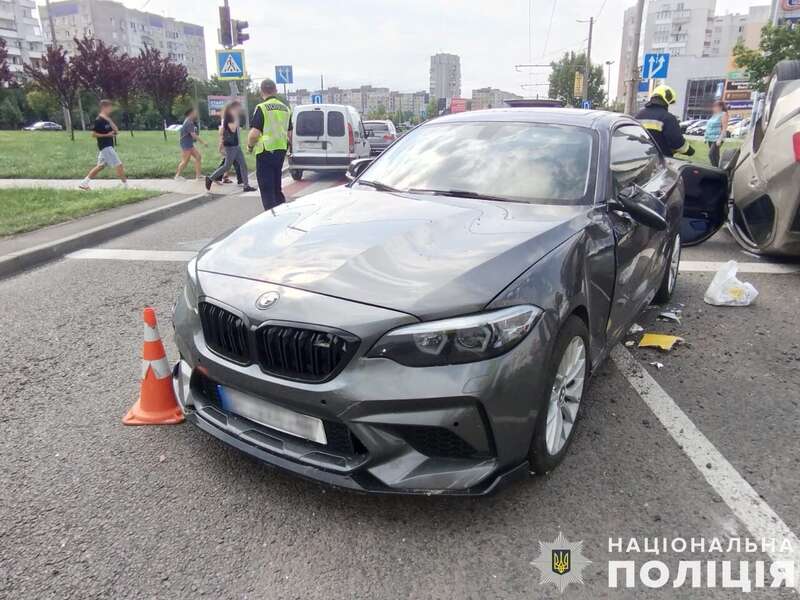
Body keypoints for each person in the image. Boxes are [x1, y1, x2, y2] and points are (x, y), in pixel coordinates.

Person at [247, 79, 292, 210]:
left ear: (261, 92)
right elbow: (290, 134)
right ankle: (281, 212)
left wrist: (250, 147)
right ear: (275, 91)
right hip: (280, 151)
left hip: (265, 151)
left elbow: (254, 134)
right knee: (277, 187)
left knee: (267, 189)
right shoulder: (286, 109)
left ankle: (271, 217)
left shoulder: (262, 108)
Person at [205, 101, 255, 192]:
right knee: (227, 166)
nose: (239, 110)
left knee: (243, 165)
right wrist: (236, 119)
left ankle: (246, 186)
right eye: (238, 108)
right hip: (230, 146)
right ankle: (210, 178)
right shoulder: (229, 118)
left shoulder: (231, 117)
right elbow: (232, 129)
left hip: (236, 145)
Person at [79, 99, 127, 190]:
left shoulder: (107, 119)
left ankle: (84, 183)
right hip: (105, 146)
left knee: (100, 166)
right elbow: (93, 134)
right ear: (104, 107)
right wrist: (107, 135)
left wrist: (109, 121)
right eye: (109, 107)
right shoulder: (98, 120)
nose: (111, 109)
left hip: (108, 145)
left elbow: (116, 131)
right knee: (119, 164)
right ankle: (126, 186)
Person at [635, 85, 696, 158]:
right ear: (667, 100)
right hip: (660, 159)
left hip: (639, 158)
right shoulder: (668, 118)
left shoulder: (638, 115)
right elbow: (677, 143)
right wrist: (690, 151)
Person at [175, 107, 206, 181]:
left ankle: (198, 176)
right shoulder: (189, 122)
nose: (196, 114)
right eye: (195, 113)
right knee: (185, 161)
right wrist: (203, 142)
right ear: (191, 113)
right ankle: (177, 176)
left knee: (198, 157)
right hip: (186, 144)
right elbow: (193, 135)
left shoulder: (188, 121)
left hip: (189, 144)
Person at [704, 100, 729, 168]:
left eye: (715, 106)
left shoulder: (724, 114)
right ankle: (717, 168)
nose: (713, 108)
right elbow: (709, 126)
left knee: (711, 154)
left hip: (717, 138)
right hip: (710, 138)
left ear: (720, 107)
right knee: (715, 155)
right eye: (713, 106)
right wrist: (706, 137)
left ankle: (715, 169)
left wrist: (720, 139)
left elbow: (724, 128)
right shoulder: (714, 115)